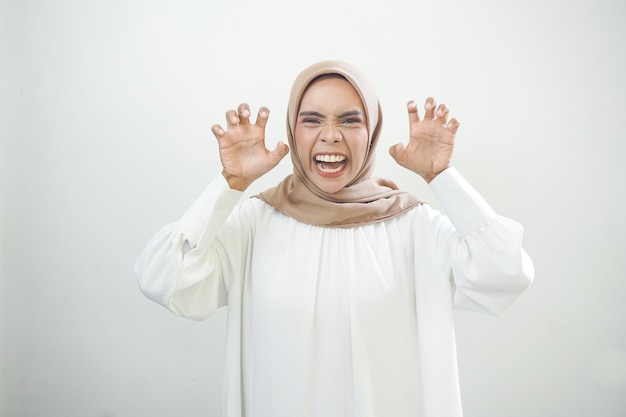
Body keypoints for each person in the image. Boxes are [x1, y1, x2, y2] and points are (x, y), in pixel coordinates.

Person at [135, 60, 534, 417]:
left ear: (372, 130)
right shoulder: (255, 223)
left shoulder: (414, 227)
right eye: (311, 120)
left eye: (349, 120)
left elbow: (504, 273)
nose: (330, 136)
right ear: (292, 131)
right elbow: (168, 279)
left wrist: (441, 178)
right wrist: (230, 185)